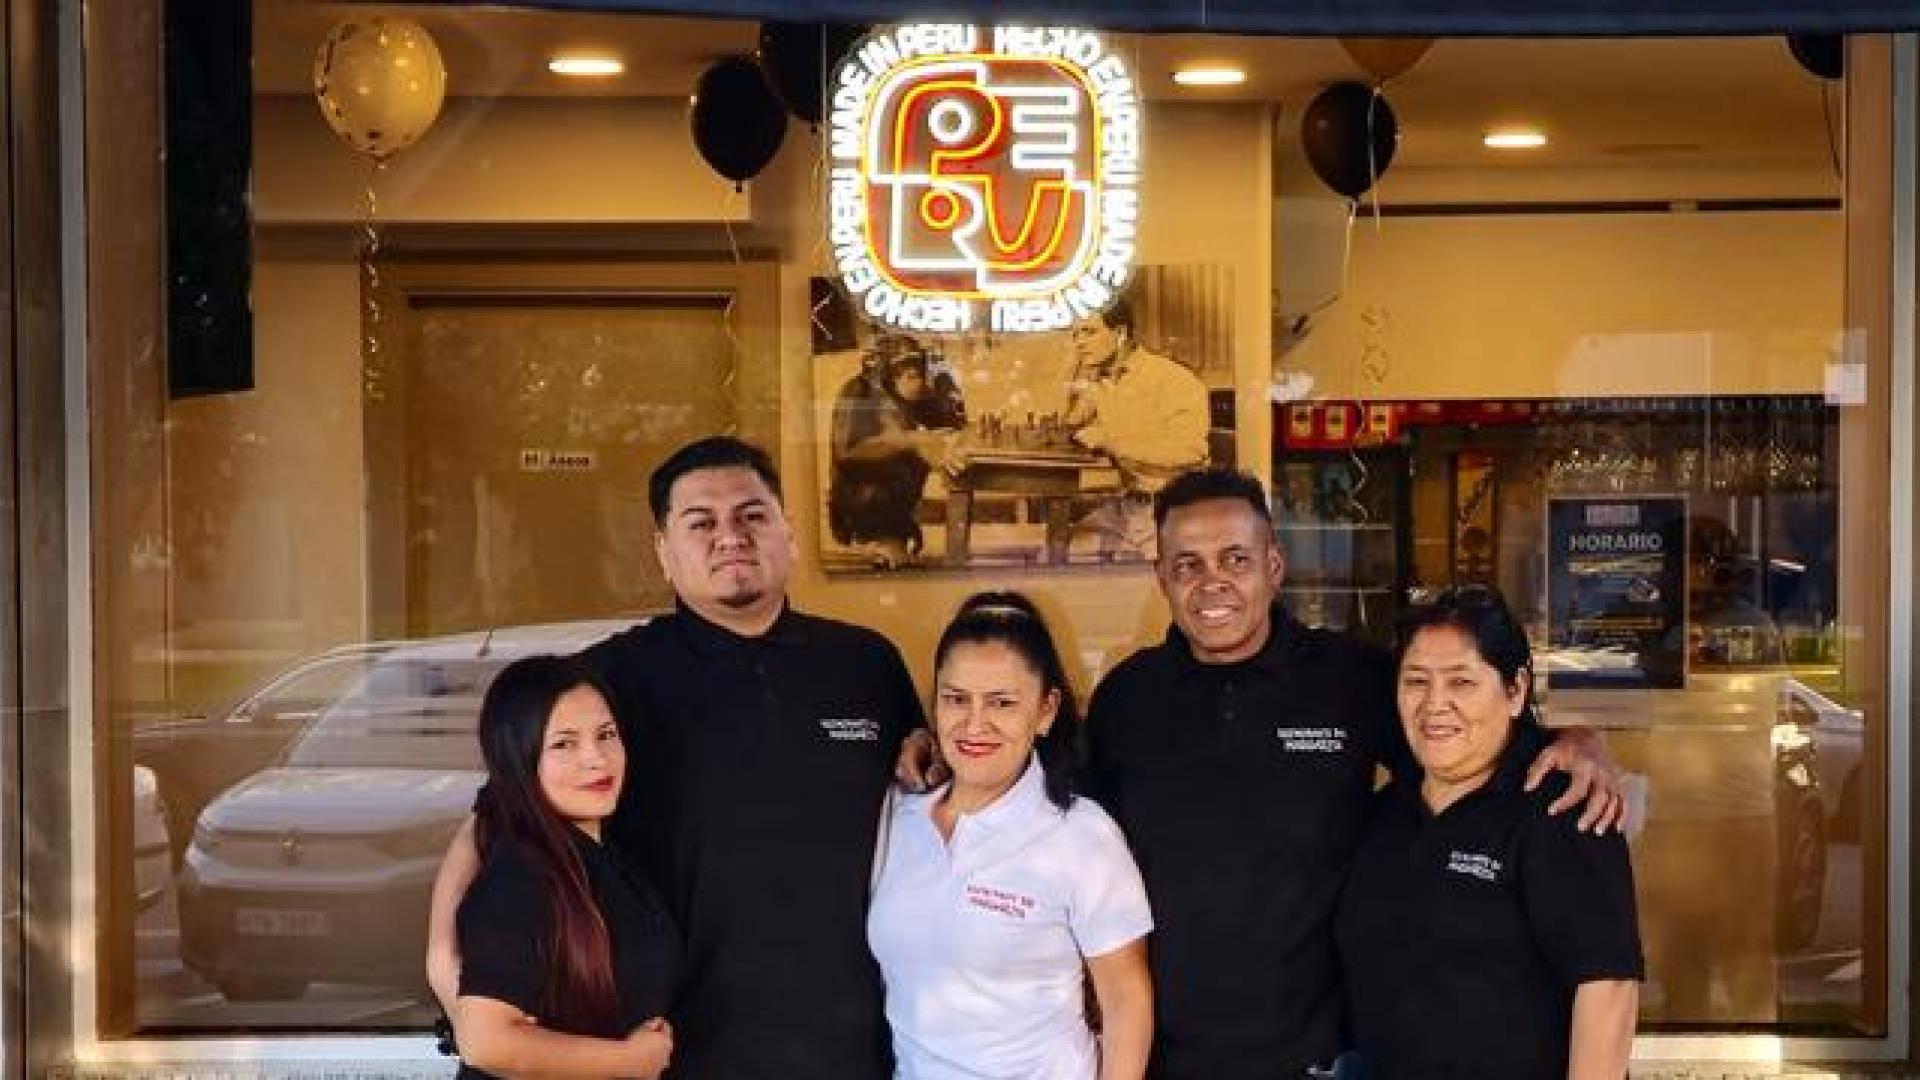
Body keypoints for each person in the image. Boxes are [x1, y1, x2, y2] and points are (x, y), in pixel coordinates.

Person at [898, 466, 1625, 1078]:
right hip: (1159, 1056)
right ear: (1161, 577)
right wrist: (935, 745)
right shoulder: (1129, 697)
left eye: (1235, 559)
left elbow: (1463, 740)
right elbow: (1046, 807)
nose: (1212, 582)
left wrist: (1576, 739)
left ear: (1273, 566)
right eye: (1187, 564)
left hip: (1316, 1057)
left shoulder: (1350, 679)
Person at [430, 436, 925, 1080]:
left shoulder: (866, 664)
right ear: (664, 552)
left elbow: (931, 784)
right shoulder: (609, 681)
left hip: (851, 1047)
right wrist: (448, 972)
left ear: (789, 531)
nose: (730, 536)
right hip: (672, 1052)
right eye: (701, 522)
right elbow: (499, 818)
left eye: (753, 515)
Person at [1336, 586, 1642, 1078]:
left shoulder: (1563, 811)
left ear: (1516, 690)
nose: (1435, 705)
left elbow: (1608, 989)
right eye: (1416, 681)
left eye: (1461, 682)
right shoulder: (1384, 816)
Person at [869, 592, 1154, 1080]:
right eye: (956, 698)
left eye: (1001, 702)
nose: (974, 724)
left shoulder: (1081, 834)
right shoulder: (898, 819)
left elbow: (1126, 1002)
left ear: (1045, 711)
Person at [450, 655, 679, 1080]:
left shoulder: (603, 856)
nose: (596, 759)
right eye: (564, 743)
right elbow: (484, 1040)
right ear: (518, 759)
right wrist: (631, 1061)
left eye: (606, 735)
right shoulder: (521, 878)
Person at [1061, 300, 1211, 557]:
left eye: (1089, 332)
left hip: (1175, 513)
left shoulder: (1171, 378)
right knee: (1059, 551)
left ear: (1120, 333)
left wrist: (1110, 441)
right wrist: (1069, 373)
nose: (1079, 342)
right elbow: (1067, 422)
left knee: (1069, 565)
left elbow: (1190, 452)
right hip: (1127, 507)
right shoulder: (1102, 382)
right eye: (1075, 334)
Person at [828, 333, 968, 568]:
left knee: (927, 445)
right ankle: (877, 538)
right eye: (902, 366)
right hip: (859, 505)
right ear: (882, 370)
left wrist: (944, 379)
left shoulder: (917, 391)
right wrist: (910, 440)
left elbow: (954, 426)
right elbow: (847, 452)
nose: (912, 373)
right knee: (917, 444)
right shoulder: (859, 391)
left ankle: (897, 533)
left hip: (898, 507)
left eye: (915, 364)